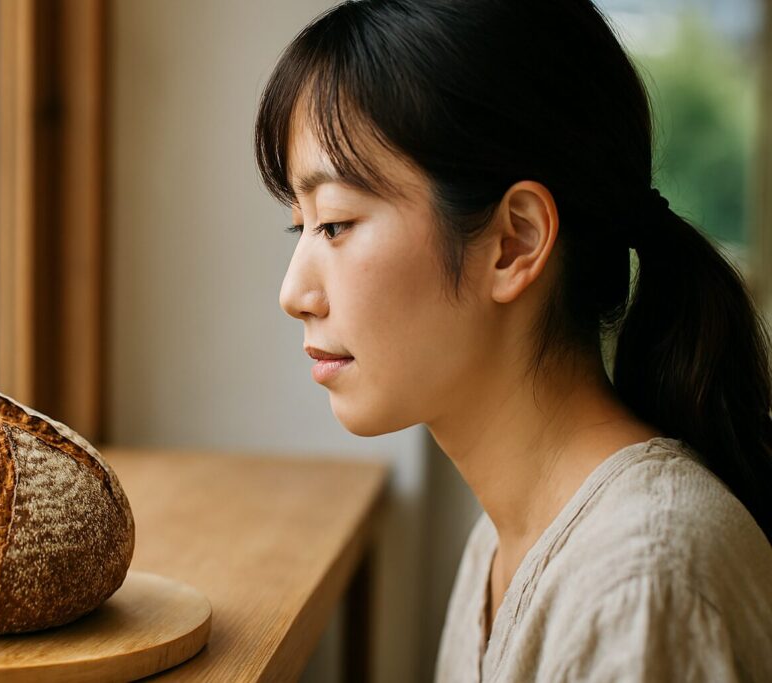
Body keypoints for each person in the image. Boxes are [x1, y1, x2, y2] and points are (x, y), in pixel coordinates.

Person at [253, 0, 772, 680]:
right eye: (302, 226)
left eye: (337, 223)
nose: (294, 294)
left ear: (514, 241)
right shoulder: (504, 542)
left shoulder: (644, 583)